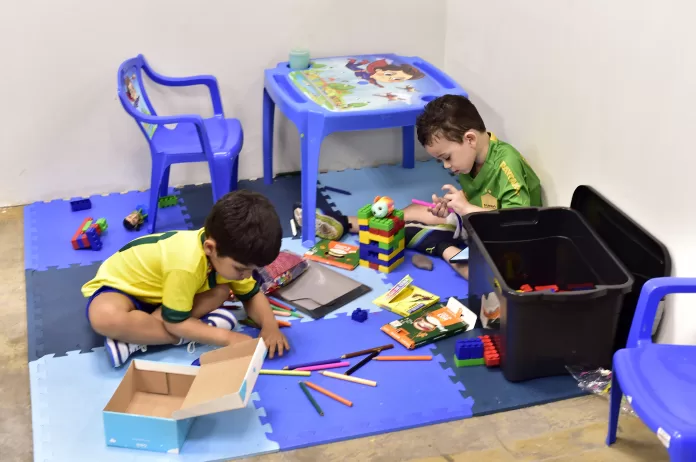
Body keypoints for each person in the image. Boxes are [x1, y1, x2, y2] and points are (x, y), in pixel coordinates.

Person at [293, 94, 541, 279]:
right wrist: (455, 203)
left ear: (470, 139)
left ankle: (442, 246)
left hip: (509, 244)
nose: (445, 166)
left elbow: (518, 224)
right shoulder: (471, 159)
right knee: (413, 210)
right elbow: (485, 196)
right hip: (477, 226)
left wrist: (466, 209)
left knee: (469, 269)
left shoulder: (507, 164)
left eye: (446, 157)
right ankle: (344, 223)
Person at [82, 190, 289, 367]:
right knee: (104, 317)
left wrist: (269, 326)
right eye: (241, 269)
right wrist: (228, 338)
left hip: (168, 300)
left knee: (221, 291)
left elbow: (252, 295)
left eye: (252, 270)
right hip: (124, 289)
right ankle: (181, 333)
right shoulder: (186, 263)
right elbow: (174, 322)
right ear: (210, 248)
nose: (246, 276)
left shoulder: (229, 255)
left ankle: (138, 337)